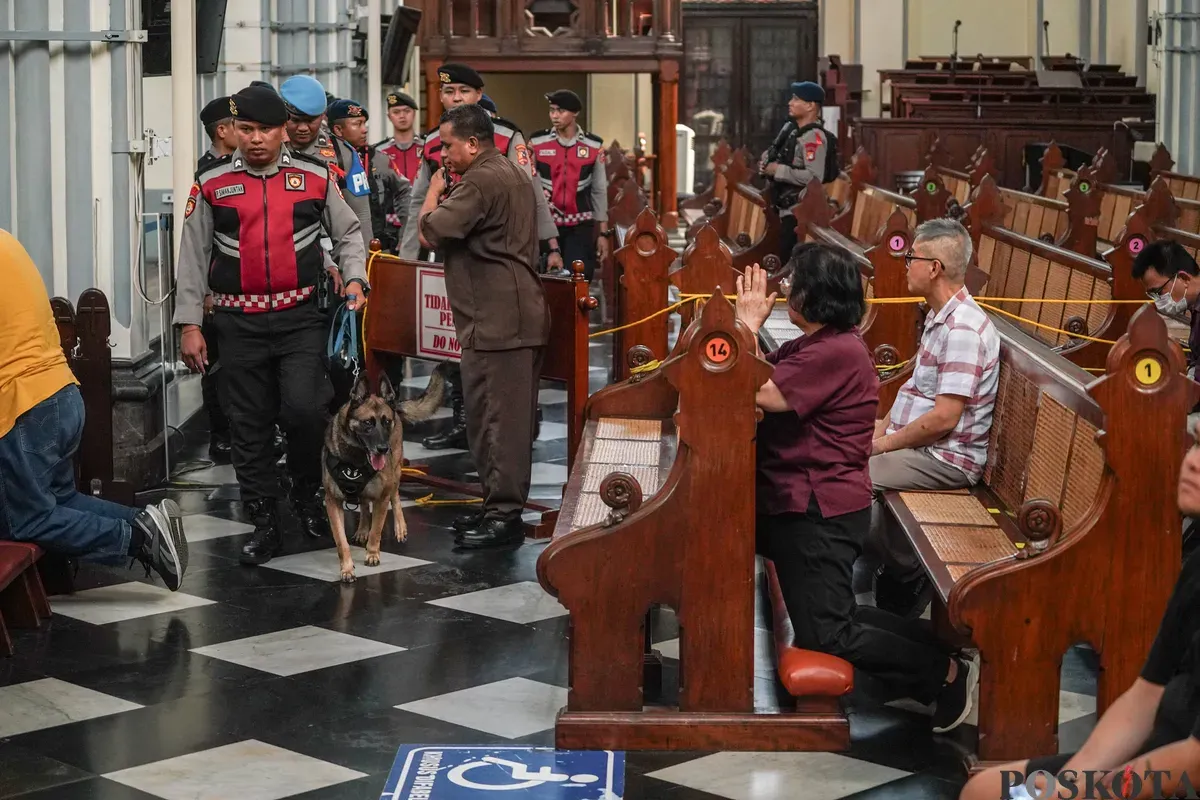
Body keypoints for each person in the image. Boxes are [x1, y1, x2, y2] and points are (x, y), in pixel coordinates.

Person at [738, 250, 977, 734]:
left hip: (817, 509)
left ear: (815, 296)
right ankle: (939, 649)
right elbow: (762, 374)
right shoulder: (819, 343)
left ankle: (945, 674)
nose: (784, 293)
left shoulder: (835, 352)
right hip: (800, 502)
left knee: (829, 634)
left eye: (792, 284)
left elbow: (763, 393)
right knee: (834, 616)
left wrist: (744, 325)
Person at [174, 85, 368, 566]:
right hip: (236, 321)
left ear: (284, 131)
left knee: (304, 412)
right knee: (249, 424)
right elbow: (193, 255)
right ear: (234, 131)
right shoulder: (212, 182)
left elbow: (347, 232)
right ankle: (263, 519)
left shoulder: (316, 175)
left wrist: (356, 278)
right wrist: (188, 324)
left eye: (265, 130)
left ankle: (306, 494)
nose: (256, 139)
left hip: (301, 317)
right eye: (247, 130)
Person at [960, 428, 1200, 800]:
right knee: (986, 790)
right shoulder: (1197, 564)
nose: (1194, 462)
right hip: (1157, 755)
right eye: (1198, 443)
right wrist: (1071, 782)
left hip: (1181, 776)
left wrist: (1087, 793)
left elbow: (1195, 763)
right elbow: (1145, 695)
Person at [0, 230, 188, 590]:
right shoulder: (7, 241)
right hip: (60, 394)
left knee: (24, 520)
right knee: (61, 500)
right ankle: (145, 521)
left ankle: (139, 541)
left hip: (24, 405)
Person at [400, 62, 558, 456]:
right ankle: (463, 422)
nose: (455, 99)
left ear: (478, 95)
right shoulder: (437, 139)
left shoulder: (503, 136)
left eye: (463, 93)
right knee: (457, 344)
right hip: (452, 251)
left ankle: (515, 422)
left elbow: (531, 195)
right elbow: (420, 199)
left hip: (498, 257)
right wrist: (407, 260)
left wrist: (548, 245)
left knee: (503, 357)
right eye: (449, 93)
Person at [417, 104, 548, 550]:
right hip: (508, 312)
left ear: (473, 143)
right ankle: (497, 508)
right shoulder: (510, 171)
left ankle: (504, 518)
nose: (444, 156)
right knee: (497, 418)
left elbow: (432, 231)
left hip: (498, 318)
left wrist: (434, 192)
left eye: (448, 146)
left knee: (497, 421)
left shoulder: (481, 179)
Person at [866, 218, 1000, 618]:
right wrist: (880, 426)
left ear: (935, 267)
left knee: (849, 475)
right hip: (924, 450)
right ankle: (899, 564)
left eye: (912, 257)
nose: (905, 263)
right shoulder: (940, 316)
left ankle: (906, 569)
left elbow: (944, 418)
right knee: (839, 455)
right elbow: (915, 391)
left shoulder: (962, 329)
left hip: (946, 459)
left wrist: (882, 444)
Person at [278, 75, 374, 251]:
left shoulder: (342, 152)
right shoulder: (267, 148)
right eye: (295, 120)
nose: (303, 128)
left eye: (310, 121)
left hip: (329, 245)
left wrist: (365, 266)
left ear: (322, 116)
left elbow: (360, 213)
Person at [196, 96, 238, 462]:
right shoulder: (203, 173)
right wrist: (205, 292)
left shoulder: (243, 168)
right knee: (216, 368)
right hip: (214, 286)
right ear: (223, 130)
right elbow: (197, 239)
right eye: (241, 126)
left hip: (241, 288)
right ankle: (221, 434)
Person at [530, 90, 610, 281]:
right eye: (552, 110)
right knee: (546, 281)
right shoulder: (537, 142)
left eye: (561, 111)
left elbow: (599, 190)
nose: (554, 116)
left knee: (579, 279)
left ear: (575, 113)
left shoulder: (593, 145)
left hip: (580, 225)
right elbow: (529, 185)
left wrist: (603, 234)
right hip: (546, 224)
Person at [759, 81, 838, 266]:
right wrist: (767, 163)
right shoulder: (795, 132)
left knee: (789, 262)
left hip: (799, 212)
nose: (790, 103)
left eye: (796, 99)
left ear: (810, 105)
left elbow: (814, 177)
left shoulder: (814, 137)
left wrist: (778, 170)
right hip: (786, 208)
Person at [327, 98, 411, 254]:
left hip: (379, 249)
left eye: (364, 123)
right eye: (357, 124)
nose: (364, 129)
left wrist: (406, 232)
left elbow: (404, 190)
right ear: (338, 130)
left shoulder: (379, 159)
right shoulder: (325, 161)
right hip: (338, 250)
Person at [376, 91, 424, 184]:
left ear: (414, 114)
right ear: (389, 116)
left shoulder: (426, 147)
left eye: (407, 111)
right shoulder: (380, 151)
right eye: (396, 112)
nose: (402, 116)